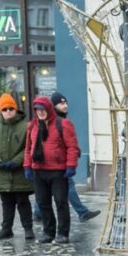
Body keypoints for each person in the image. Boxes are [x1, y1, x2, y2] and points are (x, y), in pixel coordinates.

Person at [32, 92, 100, 224]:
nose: (65, 105)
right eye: (61, 103)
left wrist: (75, 152)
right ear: (53, 106)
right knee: (62, 187)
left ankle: (38, 213)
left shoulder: (62, 119)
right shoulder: (52, 121)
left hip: (59, 163)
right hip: (55, 164)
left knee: (52, 189)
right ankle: (82, 212)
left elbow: (69, 142)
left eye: (65, 103)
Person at [23, 96, 80, 244]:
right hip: (38, 170)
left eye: (42, 109)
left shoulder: (63, 124)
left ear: (48, 109)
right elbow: (28, 148)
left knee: (61, 202)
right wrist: (27, 166)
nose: (40, 112)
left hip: (57, 171)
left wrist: (71, 165)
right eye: (37, 110)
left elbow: (72, 147)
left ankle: (63, 233)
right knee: (43, 202)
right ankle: (48, 232)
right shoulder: (33, 126)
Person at [0, 93, 33, 241]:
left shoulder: (26, 126)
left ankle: (28, 229)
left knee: (23, 202)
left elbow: (28, 148)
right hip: (1, 174)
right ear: (0, 111)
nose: (8, 111)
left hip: (19, 173)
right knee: (6, 203)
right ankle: (6, 229)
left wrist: (16, 161)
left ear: (15, 109)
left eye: (10, 108)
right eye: (4, 109)